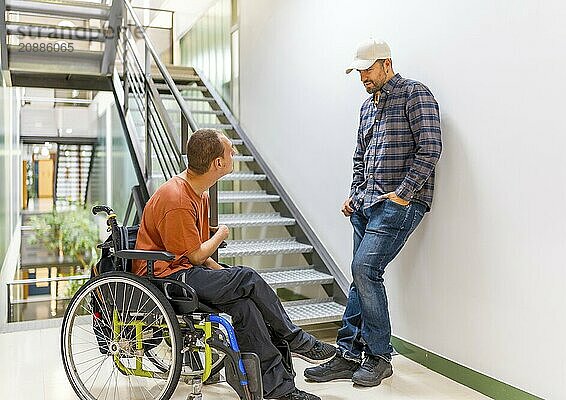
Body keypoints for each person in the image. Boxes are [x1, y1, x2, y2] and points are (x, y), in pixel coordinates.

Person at [133, 128, 335, 400]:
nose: (235, 154)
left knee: (246, 306)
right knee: (247, 278)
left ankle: (280, 390)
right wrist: (222, 233)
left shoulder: (199, 193)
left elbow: (199, 256)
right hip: (167, 278)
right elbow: (192, 256)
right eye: (230, 151)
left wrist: (223, 274)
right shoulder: (177, 197)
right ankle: (296, 339)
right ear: (218, 163)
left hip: (189, 272)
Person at [304, 38, 442, 387]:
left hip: (399, 205)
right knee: (360, 276)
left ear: (386, 64)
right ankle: (348, 355)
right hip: (366, 204)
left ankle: (379, 356)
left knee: (365, 268)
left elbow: (430, 147)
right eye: (359, 71)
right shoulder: (368, 107)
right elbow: (359, 157)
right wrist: (355, 194)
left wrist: (403, 195)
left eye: (367, 69)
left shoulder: (415, 94)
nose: (362, 76)